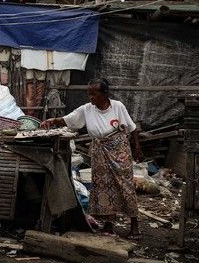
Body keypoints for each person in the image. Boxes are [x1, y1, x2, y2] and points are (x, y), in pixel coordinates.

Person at [40, 78, 142, 237]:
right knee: (103, 186)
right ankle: (109, 224)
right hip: (99, 151)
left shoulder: (117, 106)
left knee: (125, 185)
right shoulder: (87, 109)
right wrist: (52, 121)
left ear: (105, 93)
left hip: (119, 148)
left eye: (94, 94)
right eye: (89, 94)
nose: (91, 97)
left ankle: (134, 224)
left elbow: (132, 128)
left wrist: (137, 148)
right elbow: (70, 119)